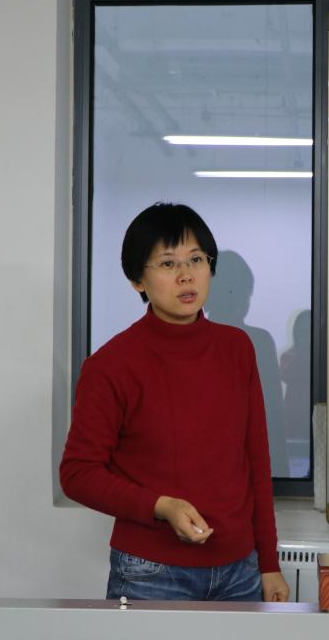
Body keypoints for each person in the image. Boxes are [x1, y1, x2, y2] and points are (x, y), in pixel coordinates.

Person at [60, 202, 290, 603]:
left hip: (241, 570)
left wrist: (269, 564)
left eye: (196, 259)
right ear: (137, 280)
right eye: (167, 264)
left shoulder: (237, 348)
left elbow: (256, 460)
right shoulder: (111, 365)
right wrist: (161, 506)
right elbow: (78, 473)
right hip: (151, 572)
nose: (186, 275)